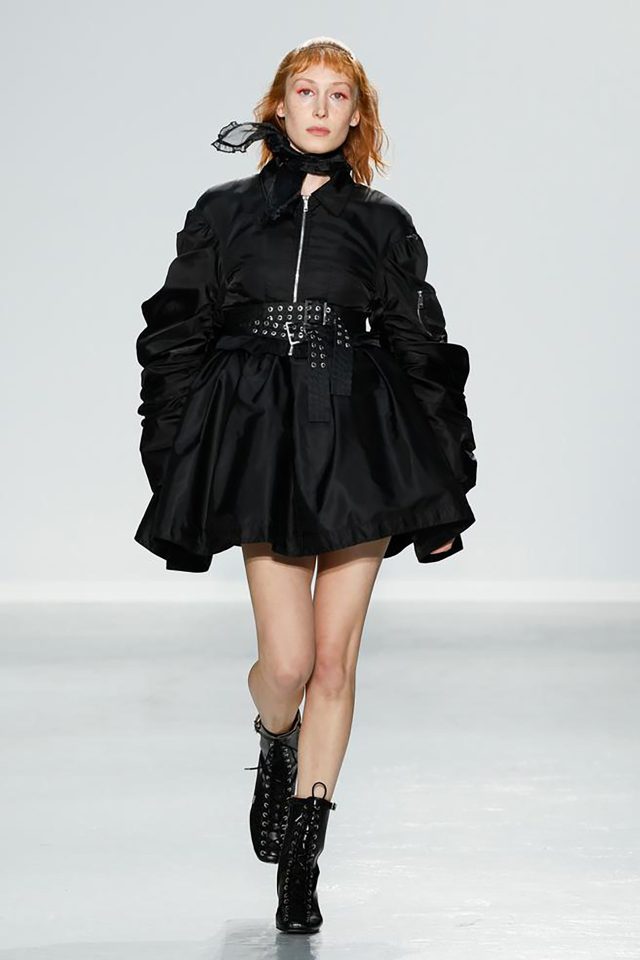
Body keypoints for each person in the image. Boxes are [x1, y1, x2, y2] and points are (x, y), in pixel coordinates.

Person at [133, 36, 477, 934]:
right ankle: (274, 738)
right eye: (304, 91)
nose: (320, 108)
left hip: (362, 440)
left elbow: (420, 346)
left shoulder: (383, 222)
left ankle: (302, 856)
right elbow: (177, 335)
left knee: (332, 661)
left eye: (338, 95)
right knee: (284, 666)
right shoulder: (222, 212)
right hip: (261, 440)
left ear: (357, 114)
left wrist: (447, 480)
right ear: (277, 107)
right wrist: (172, 454)